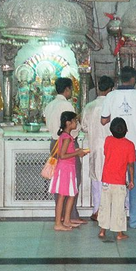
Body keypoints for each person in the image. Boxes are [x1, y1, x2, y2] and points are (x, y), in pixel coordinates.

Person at [101, 66, 136, 229]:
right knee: (134, 183)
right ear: (134, 79)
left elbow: (103, 120)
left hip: (116, 145)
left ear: (120, 78)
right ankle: (135, 220)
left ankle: (110, 220)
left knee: (114, 182)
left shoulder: (111, 96)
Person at [44, 77, 86, 225]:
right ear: (67, 89)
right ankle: (70, 215)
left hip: (55, 143)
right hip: (67, 144)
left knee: (59, 182)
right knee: (73, 181)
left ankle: (62, 217)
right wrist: (79, 124)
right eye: (71, 89)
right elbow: (73, 127)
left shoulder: (49, 105)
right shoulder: (66, 105)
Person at [81, 75, 115, 221]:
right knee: (113, 179)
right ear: (110, 89)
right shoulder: (113, 105)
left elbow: (84, 127)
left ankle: (97, 210)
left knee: (97, 179)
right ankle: (113, 210)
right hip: (112, 147)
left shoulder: (89, 106)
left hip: (95, 147)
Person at [98, 117, 136, 241]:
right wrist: (131, 180)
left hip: (106, 180)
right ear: (126, 130)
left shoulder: (108, 140)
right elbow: (131, 165)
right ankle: (119, 233)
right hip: (119, 181)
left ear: (111, 130)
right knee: (119, 207)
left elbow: (106, 153)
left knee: (104, 204)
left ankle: (102, 230)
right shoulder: (129, 145)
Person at [51, 111, 89, 231]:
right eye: (75, 121)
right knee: (62, 196)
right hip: (65, 169)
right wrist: (77, 152)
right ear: (68, 123)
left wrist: (77, 152)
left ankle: (67, 220)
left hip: (69, 168)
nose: (76, 123)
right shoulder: (66, 137)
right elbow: (62, 155)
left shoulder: (67, 136)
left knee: (72, 194)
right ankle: (58, 223)